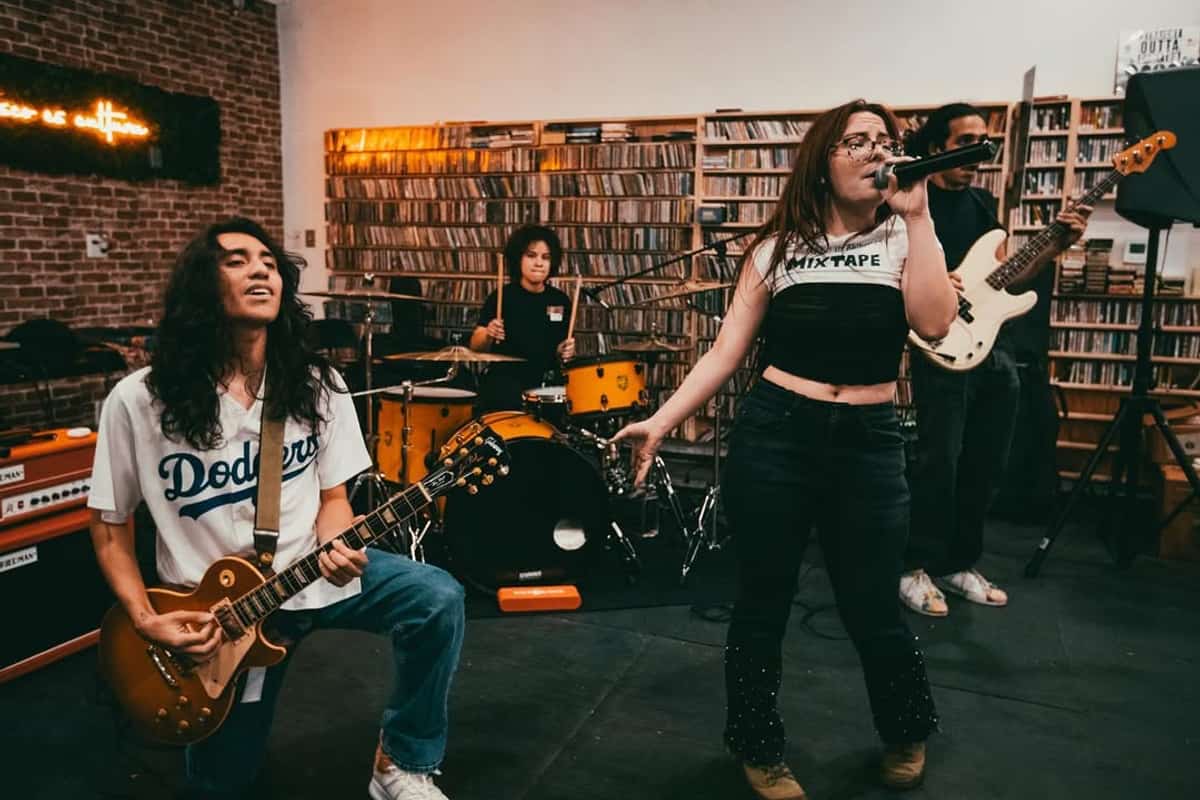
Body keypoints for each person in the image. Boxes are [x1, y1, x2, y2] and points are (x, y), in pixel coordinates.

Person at [613, 100, 955, 798]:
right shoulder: (776, 248)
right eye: (855, 141)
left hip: (869, 441)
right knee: (762, 599)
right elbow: (725, 352)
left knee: (871, 601)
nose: (875, 151)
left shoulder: (905, 235)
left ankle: (905, 729)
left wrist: (919, 219)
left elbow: (936, 323)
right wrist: (661, 421)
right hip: (778, 434)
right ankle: (757, 745)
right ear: (822, 163)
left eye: (884, 140)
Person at [87, 218, 465, 800]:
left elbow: (335, 499)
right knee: (221, 782)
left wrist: (338, 543)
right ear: (201, 285)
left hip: (308, 575)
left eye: (269, 262)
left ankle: (403, 761)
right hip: (216, 617)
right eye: (237, 260)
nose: (260, 269)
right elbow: (109, 526)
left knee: (436, 597)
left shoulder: (317, 383)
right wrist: (144, 619)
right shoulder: (138, 400)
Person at [900, 104, 1091, 617]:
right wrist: (924, 280)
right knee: (939, 461)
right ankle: (912, 565)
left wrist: (1055, 245)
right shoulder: (912, 203)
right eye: (965, 141)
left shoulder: (983, 205)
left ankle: (959, 561)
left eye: (984, 141)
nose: (978, 152)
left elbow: (1008, 279)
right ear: (937, 147)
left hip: (994, 349)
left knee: (986, 462)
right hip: (940, 346)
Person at [468, 224, 575, 412]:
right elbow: (475, 345)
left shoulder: (560, 300)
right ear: (518, 259)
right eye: (531, 256)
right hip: (505, 384)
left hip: (545, 383)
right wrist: (488, 333)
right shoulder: (501, 297)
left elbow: (560, 346)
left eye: (546, 257)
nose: (539, 263)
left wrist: (565, 350)